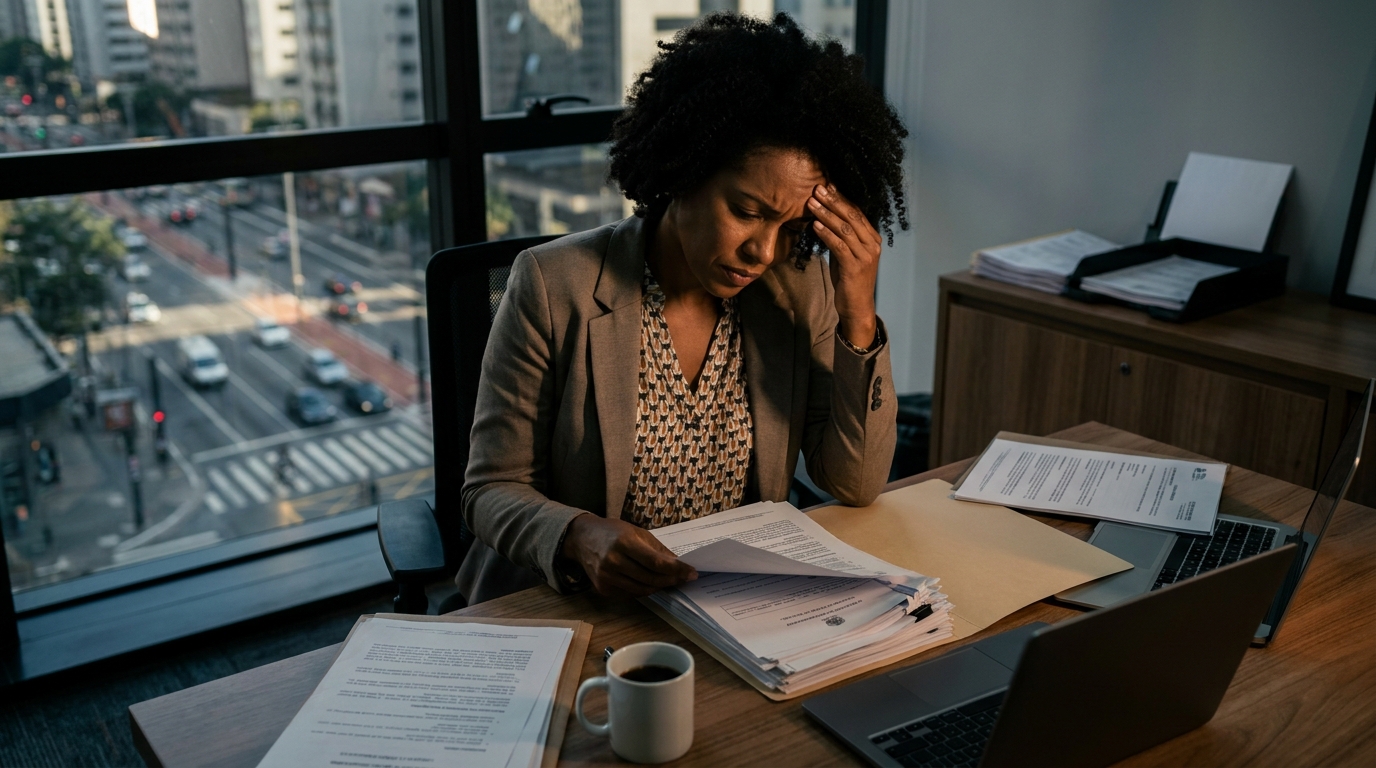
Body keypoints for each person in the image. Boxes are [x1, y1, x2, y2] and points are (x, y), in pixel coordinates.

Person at [459, 12, 908, 605]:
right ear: (684, 170)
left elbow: (855, 482)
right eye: (746, 211)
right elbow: (491, 488)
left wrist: (858, 315)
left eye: (792, 228)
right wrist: (578, 536)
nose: (763, 251)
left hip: (726, 603)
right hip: (573, 601)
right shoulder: (554, 284)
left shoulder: (798, 291)